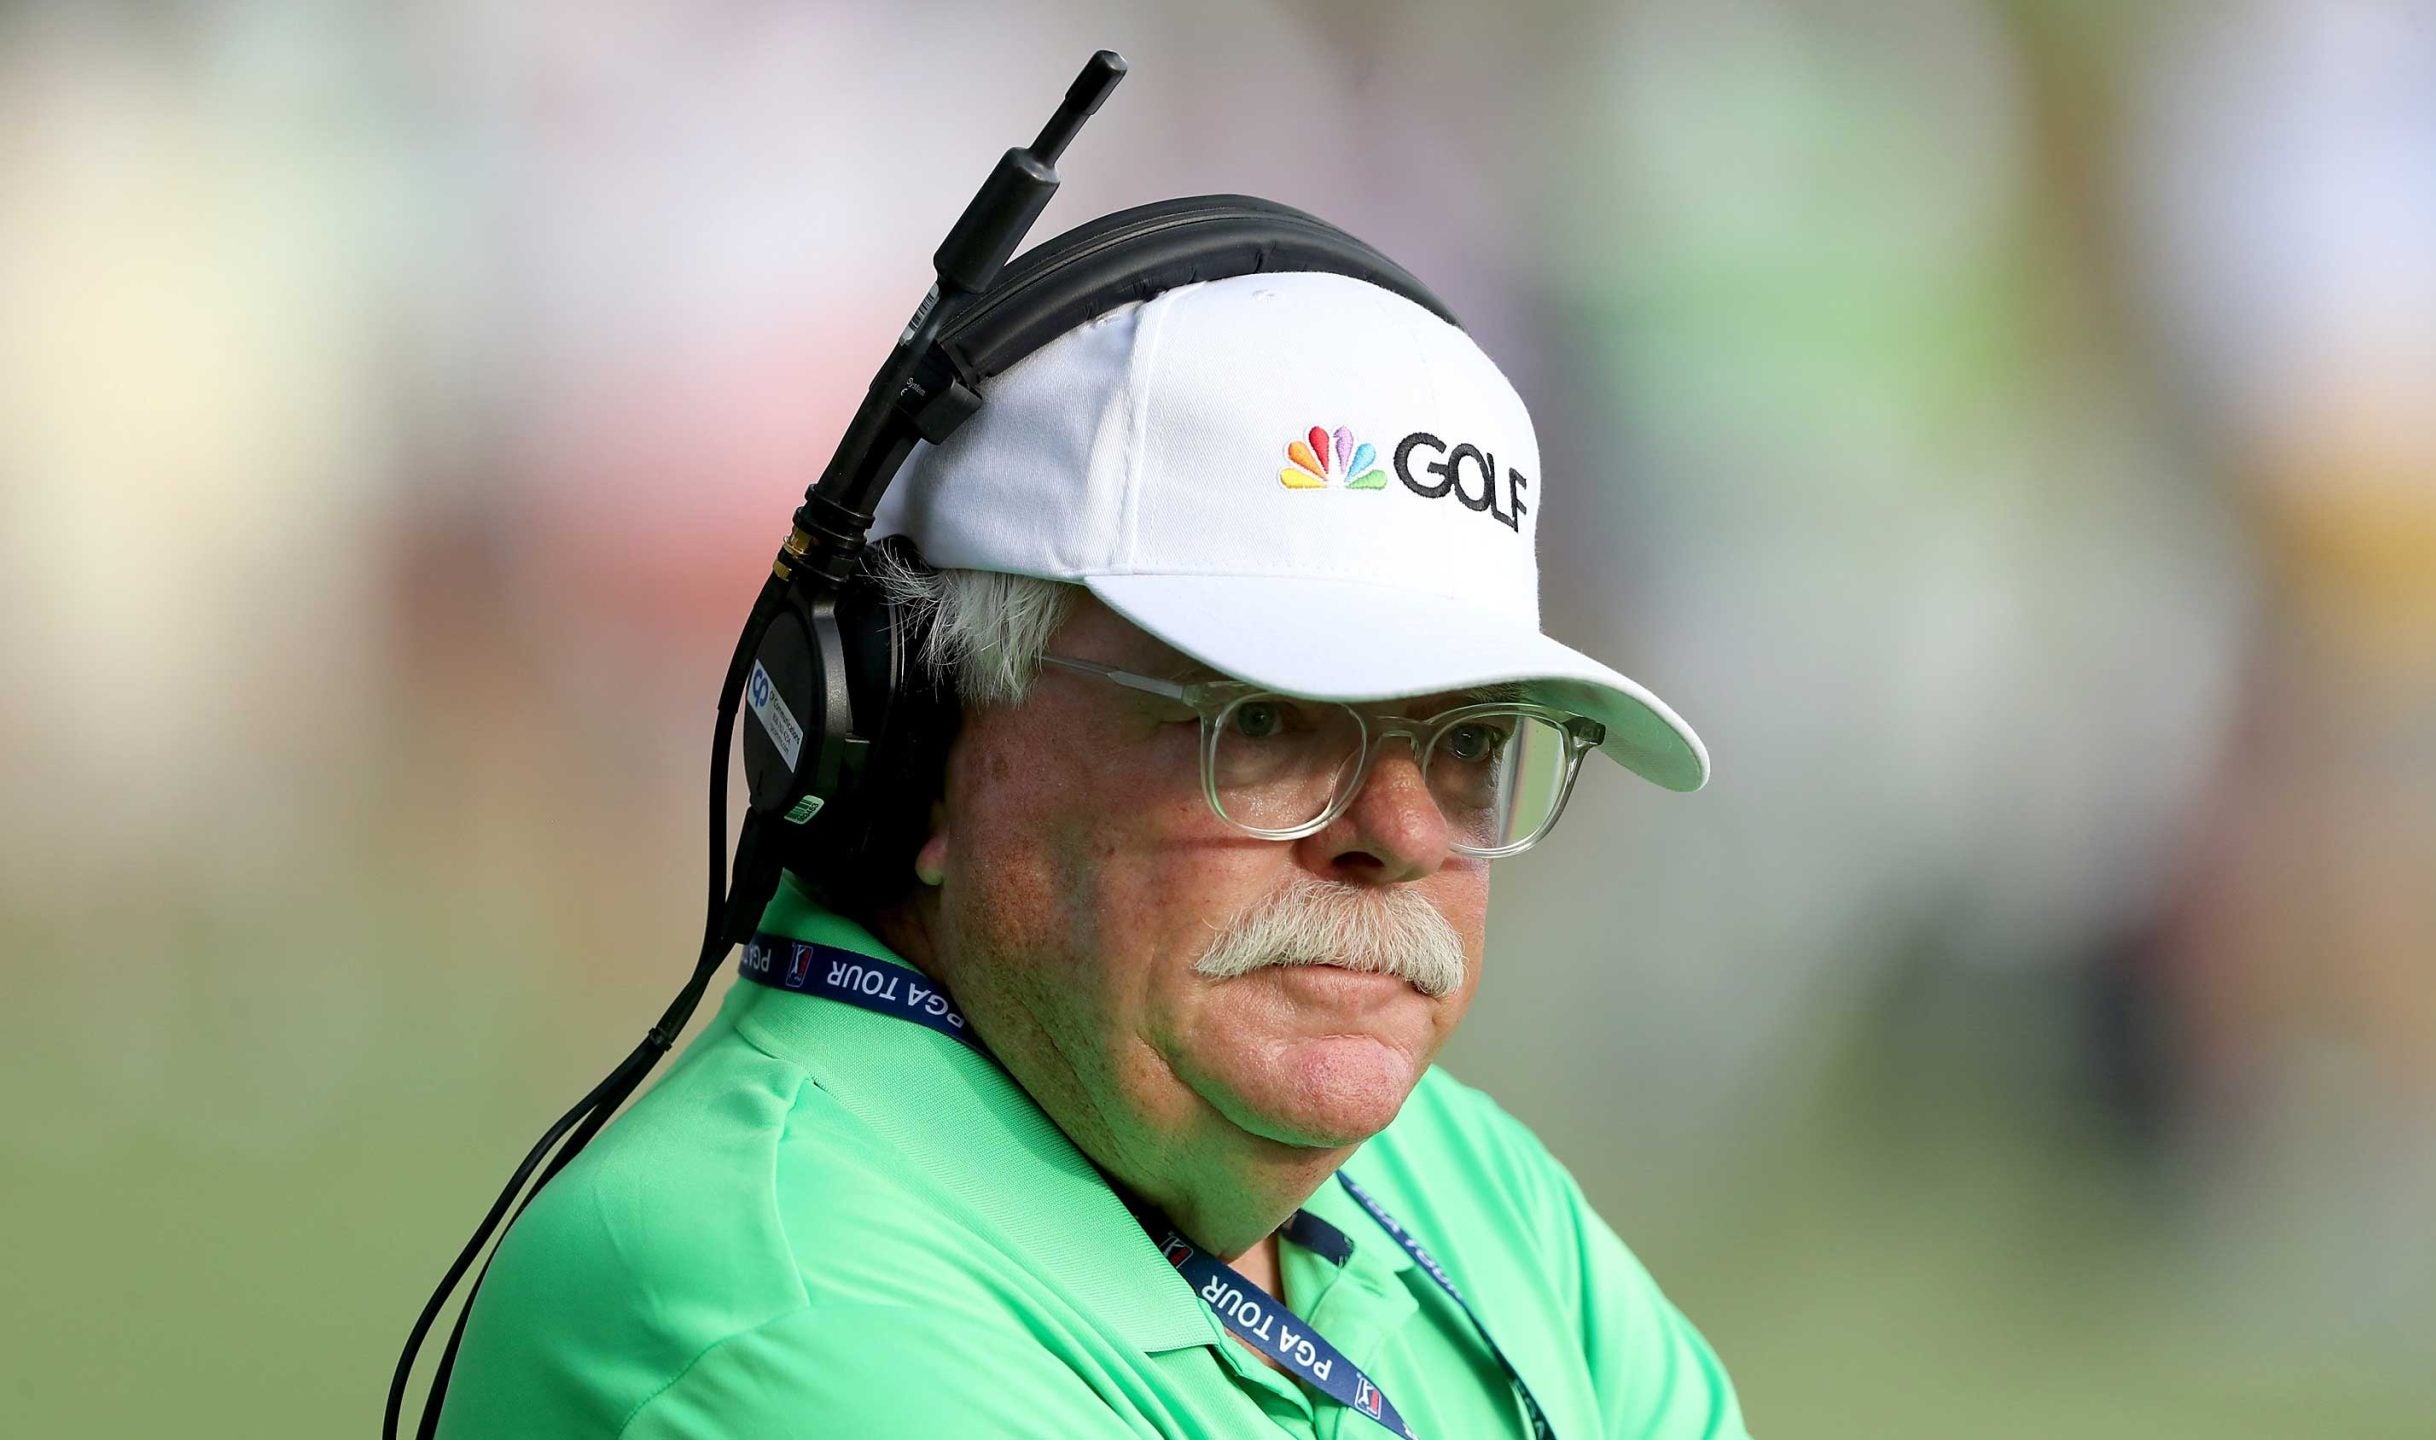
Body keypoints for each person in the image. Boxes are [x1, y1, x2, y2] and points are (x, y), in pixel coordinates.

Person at [439, 267, 1747, 1437]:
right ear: (931, 742)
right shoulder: (759, 1292)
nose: (1403, 835)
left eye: (1469, 744)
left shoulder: (1465, 1179)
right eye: (1270, 723)